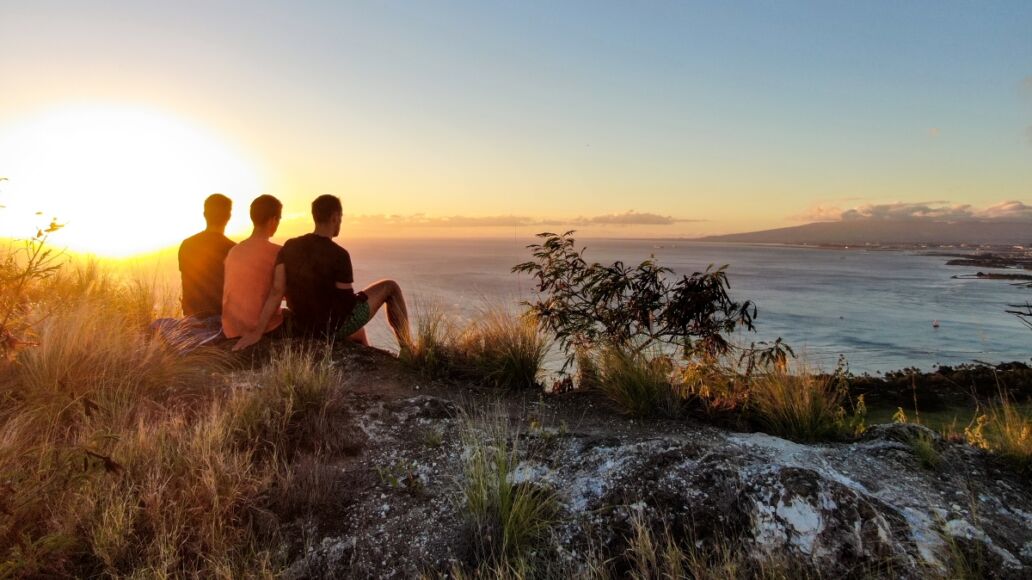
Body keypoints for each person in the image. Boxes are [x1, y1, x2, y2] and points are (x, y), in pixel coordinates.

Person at [233, 194, 412, 351]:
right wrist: (362, 298)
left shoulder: (290, 246)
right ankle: (407, 348)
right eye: (340, 218)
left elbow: (277, 290)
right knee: (390, 286)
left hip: (301, 324)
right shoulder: (339, 254)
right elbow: (345, 306)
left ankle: (366, 349)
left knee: (359, 331)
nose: (340, 222)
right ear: (334, 217)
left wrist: (258, 332)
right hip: (329, 328)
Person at [222, 195, 285, 340]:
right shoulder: (278, 252)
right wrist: (257, 332)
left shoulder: (234, 251)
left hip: (231, 330)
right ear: (273, 220)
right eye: (279, 219)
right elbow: (278, 291)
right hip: (264, 329)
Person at [178, 194, 235, 322]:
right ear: (228, 217)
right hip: (222, 321)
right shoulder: (233, 250)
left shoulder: (187, 245)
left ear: (204, 214)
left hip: (191, 319)